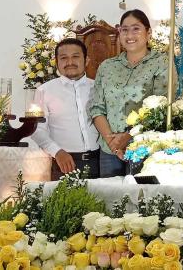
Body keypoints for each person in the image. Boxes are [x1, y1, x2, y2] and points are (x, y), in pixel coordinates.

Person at [88, 9, 169, 177]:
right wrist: (112, 142)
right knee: (111, 200)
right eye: (124, 29)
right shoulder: (107, 66)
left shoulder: (161, 62)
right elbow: (96, 108)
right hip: (109, 150)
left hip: (145, 147)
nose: (129, 34)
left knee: (144, 199)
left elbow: (161, 108)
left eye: (136, 28)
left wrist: (128, 136)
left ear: (148, 33)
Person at [31, 38, 100, 180]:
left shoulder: (98, 87)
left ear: (86, 60)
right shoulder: (43, 91)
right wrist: (57, 152)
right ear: (57, 62)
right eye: (64, 58)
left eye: (75, 56)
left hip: (100, 161)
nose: (70, 62)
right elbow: (36, 130)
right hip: (64, 163)